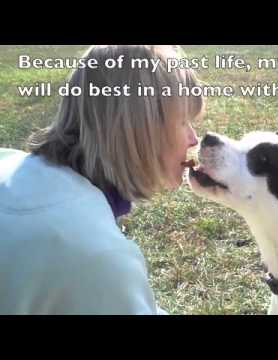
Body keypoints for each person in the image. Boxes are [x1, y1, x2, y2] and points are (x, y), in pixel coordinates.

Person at [0, 45, 202, 315]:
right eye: (184, 122)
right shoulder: (96, 256)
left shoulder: (8, 164)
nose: (194, 138)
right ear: (143, 129)